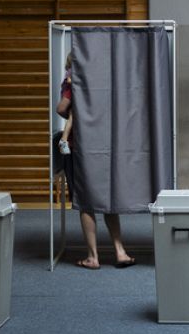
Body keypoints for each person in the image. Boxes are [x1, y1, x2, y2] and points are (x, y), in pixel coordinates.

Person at [56, 52, 135, 270]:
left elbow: (61, 108)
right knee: (108, 197)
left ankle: (93, 257)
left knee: (86, 201)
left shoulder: (72, 83)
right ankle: (120, 251)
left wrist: (74, 116)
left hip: (78, 147)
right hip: (103, 146)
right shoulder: (101, 83)